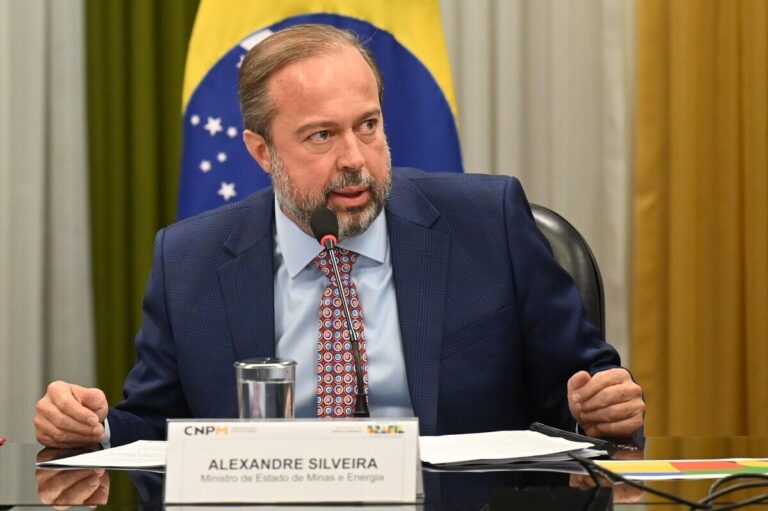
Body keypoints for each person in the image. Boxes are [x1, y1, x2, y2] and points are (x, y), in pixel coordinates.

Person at [34, 24, 644, 449]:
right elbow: (157, 427)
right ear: (260, 151)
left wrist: (602, 410)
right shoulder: (190, 260)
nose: (355, 158)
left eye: (368, 126)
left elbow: (583, 392)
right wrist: (94, 428)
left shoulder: (489, 224)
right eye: (321, 136)